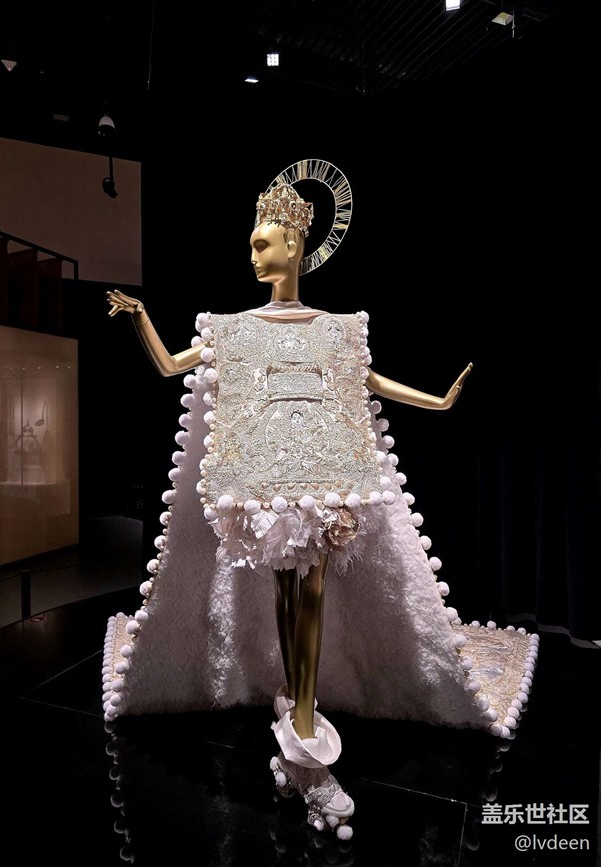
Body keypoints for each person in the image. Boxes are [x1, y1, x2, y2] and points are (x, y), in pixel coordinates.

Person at [102, 181, 535, 840]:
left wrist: (439, 401)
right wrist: (140, 317)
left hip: (321, 478)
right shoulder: (235, 328)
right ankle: (298, 719)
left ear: (295, 245)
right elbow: (169, 366)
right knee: (287, 591)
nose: (254, 256)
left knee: (310, 593)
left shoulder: (336, 329)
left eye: (263, 243)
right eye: (252, 245)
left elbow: (369, 382)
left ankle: (304, 727)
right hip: (268, 480)